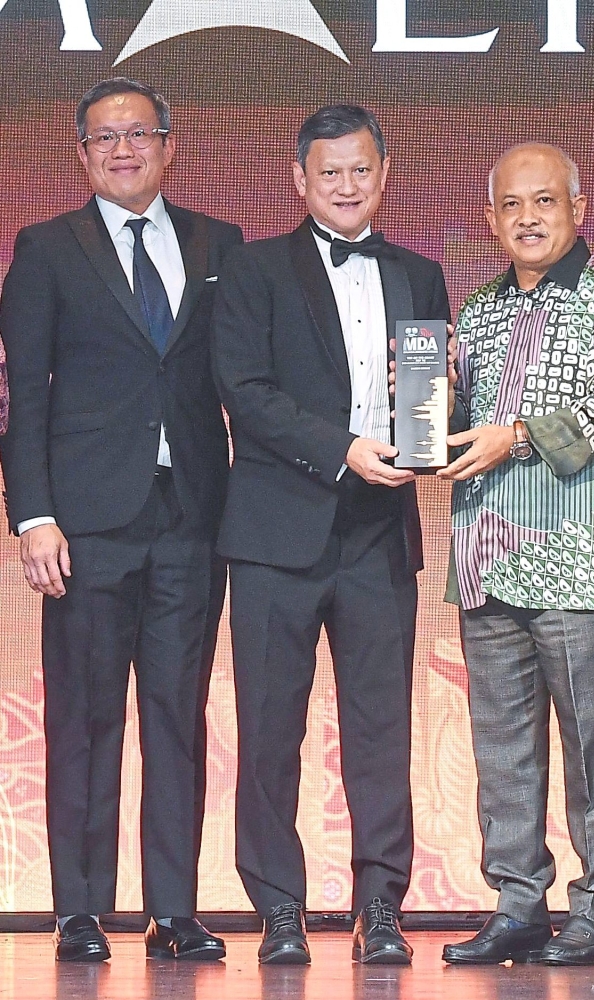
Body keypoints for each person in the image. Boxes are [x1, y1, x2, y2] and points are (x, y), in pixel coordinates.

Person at [0, 77, 243, 962]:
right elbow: (24, 398)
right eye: (104, 138)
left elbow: (246, 378)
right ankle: (79, 909)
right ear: (81, 154)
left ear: (170, 145)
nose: (123, 149)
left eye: (140, 134)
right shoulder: (45, 248)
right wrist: (34, 516)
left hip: (192, 518)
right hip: (88, 523)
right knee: (86, 719)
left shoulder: (220, 243)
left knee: (178, 717)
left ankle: (173, 910)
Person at [211, 104, 450, 965]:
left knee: (380, 727)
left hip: (379, 531)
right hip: (276, 531)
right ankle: (279, 906)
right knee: (272, 729)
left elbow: (428, 394)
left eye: (360, 170)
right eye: (329, 172)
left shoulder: (420, 272)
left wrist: (436, 410)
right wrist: (342, 449)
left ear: (383, 174)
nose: (346, 186)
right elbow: (244, 388)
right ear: (299, 180)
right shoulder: (253, 269)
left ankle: (380, 906)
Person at [438, 143, 594, 966]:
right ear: (491, 219)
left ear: (579, 207)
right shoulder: (482, 308)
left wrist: (518, 435)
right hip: (488, 557)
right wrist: (414, 394)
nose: (528, 219)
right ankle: (518, 902)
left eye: (545, 202)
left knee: (591, 745)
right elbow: (454, 414)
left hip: (580, 557)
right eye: (511, 206)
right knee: (502, 746)